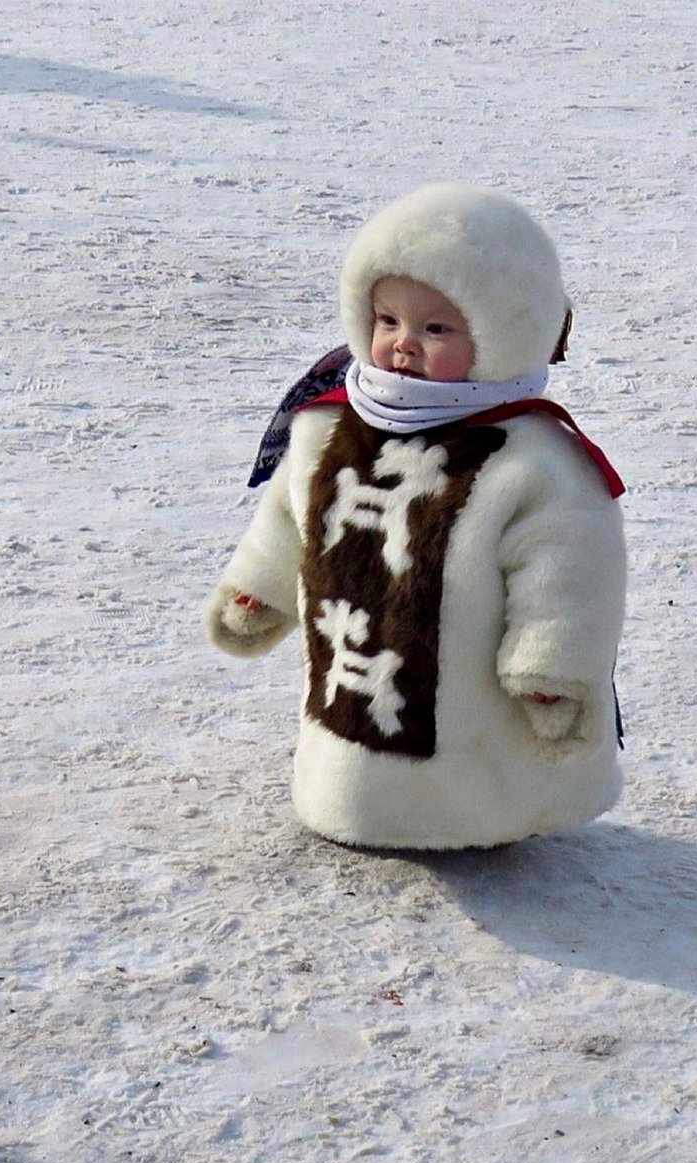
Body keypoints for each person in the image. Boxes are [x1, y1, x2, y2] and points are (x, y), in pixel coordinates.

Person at [204, 182, 627, 849]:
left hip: (473, 754)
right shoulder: (331, 425)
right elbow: (291, 516)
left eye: (436, 328)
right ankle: (354, 804)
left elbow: (571, 573)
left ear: (502, 329)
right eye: (388, 320)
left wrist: (552, 668)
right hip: (351, 693)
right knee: (350, 716)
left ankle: (473, 822)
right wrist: (259, 587)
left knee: (454, 731)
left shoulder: (533, 462)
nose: (403, 345)